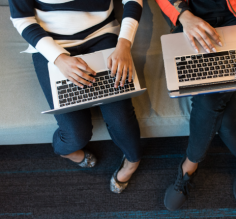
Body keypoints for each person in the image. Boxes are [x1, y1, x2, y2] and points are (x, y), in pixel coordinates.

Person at [8, 0, 143, 194]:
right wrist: (58, 58)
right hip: (51, 42)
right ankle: (66, 152)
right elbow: (22, 18)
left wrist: (124, 44)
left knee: (121, 119)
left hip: (102, 34)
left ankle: (132, 162)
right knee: (75, 134)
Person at [156, 0, 236, 210]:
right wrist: (185, 16)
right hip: (193, 21)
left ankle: (190, 164)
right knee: (223, 109)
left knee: (209, 99)